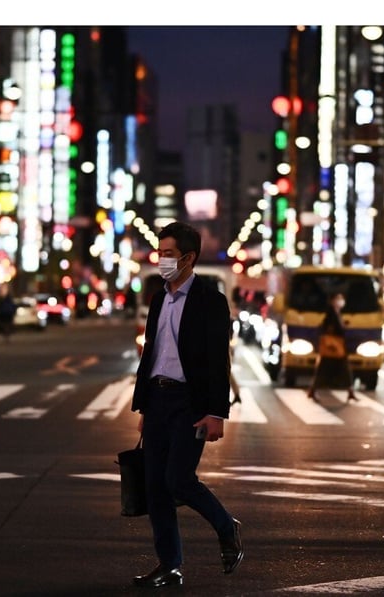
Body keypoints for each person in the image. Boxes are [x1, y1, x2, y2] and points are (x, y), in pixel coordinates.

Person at [129, 221, 243, 588]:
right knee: (156, 487)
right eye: (159, 253)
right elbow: (153, 355)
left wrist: (216, 412)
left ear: (188, 258)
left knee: (178, 479)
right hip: (159, 398)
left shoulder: (210, 300)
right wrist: (144, 408)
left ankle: (226, 527)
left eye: (168, 254)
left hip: (189, 402)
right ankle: (169, 564)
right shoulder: (159, 298)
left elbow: (217, 359)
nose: (161, 260)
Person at [306, 292, 358, 403]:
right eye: (338, 298)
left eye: (341, 298)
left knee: (341, 370)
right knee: (331, 370)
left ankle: (350, 392)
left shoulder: (337, 313)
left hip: (337, 347)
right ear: (332, 301)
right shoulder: (330, 314)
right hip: (333, 347)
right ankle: (313, 390)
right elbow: (327, 328)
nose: (340, 301)